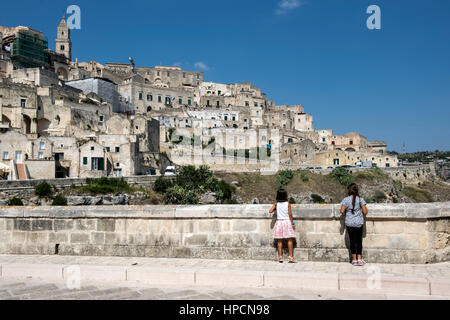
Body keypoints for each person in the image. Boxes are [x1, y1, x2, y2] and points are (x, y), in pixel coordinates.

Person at [340, 183, 369, 266]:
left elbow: (342, 211)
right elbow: (365, 212)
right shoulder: (360, 199)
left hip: (350, 223)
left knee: (352, 241)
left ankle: (354, 260)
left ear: (349, 191)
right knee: (359, 241)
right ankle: (359, 259)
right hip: (359, 223)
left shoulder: (346, 200)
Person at [269, 189, 297, 263]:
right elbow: (290, 215)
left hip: (279, 222)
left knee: (279, 240)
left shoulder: (276, 204)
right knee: (290, 240)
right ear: (285, 196)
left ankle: (280, 257)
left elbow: (270, 211)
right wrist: (293, 223)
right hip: (287, 222)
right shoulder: (288, 204)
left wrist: (275, 207)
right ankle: (290, 257)